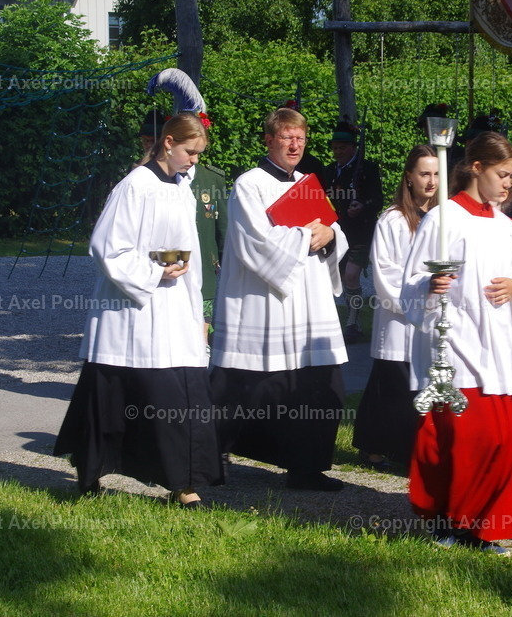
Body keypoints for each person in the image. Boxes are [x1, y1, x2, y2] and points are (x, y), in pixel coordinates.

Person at [53, 112, 221, 508]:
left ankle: (184, 483)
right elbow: (106, 246)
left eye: (199, 153)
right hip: (132, 312)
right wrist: (153, 271)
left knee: (181, 396)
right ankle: (91, 472)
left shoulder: (181, 185)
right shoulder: (134, 186)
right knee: (115, 394)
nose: (195, 160)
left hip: (175, 308)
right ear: (167, 143)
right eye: (190, 152)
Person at [402, 131, 512, 552]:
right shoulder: (444, 220)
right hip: (461, 347)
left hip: (503, 351)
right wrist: (432, 284)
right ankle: (452, 521)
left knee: (498, 441)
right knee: (463, 437)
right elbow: (411, 282)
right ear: (476, 168)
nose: (509, 184)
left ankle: (488, 527)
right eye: (502, 175)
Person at [209, 107, 349, 492]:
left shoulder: (307, 182)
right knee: (244, 386)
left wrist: (332, 237)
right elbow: (254, 243)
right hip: (263, 303)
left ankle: (306, 467)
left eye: (301, 137)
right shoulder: (248, 184)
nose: (295, 144)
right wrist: (307, 237)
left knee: (319, 385)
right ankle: (208, 459)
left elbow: (331, 226)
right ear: (269, 140)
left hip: (309, 304)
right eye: (287, 136)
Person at [352, 145, 439, 469]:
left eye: (435, 174)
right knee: (392, 385)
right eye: (424, 174)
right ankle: (378, 447)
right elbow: (384, 271)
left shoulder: (444, 218)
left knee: (422, 384)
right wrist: (416, 300)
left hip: (433, 317)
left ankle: (412, 450)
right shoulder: (392, 220)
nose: (431, 181)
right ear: (409, 177)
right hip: (400, 317)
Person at [322, 119, 384, 343]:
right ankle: (351, 317)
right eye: (335, 148)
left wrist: (363, 206)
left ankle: (353, 321)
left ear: (353, 148)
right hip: (338, 232)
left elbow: (377, 199)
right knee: (342, 279)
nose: (338, 152)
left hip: (361, 232)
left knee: (350, 275)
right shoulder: (329, 171)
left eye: (342, 148)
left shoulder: (367, 169)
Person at [190, 112, 228, 346]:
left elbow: (222, 224)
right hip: (174, 268)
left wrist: (224, 260)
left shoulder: (211, 179)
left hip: (206, 268)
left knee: (202, 334)